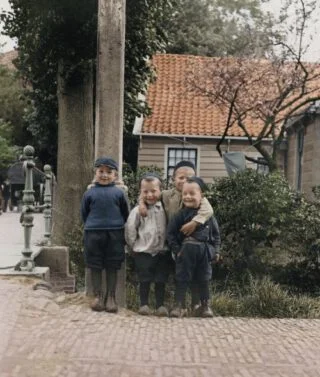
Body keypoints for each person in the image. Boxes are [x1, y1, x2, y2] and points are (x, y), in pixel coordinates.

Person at [139, 160, 214, 314]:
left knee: (194, 275)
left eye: (189, 178)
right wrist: (141, 202)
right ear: (173, 179)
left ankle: (195, 305)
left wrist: (195, 222)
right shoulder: (166, 195)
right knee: (176, 276)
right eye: (181, 177)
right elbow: (149, 195)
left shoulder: (199, 198)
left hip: (192, 245)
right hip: (171, 243)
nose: (185, 181)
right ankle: (176, 305)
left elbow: (208, 210)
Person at [167, 176, 221, 318]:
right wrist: (177, 250)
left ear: (201, 195)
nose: (188, 197)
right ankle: (178, 305)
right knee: (182, 278)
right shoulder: (180, 215)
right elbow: (170, 234)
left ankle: (205, 306)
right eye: (185, 194)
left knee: (203, 279)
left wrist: (216, 251)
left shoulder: (208, 216)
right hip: (186, 251)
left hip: (204, 251)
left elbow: (216, 235)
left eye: (192, 194)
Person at [81, 157, 130, 313]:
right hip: (93, 233)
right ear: (95, 173)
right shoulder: (89, 193)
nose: (104, 175)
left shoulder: (119, 193)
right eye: (101, 171)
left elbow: (125, 212)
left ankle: (111, 297)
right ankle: (98, 296)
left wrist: (117, 226)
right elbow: (84, 213)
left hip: (114, 233)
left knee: (112, 264)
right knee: (94, 264)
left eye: (109, 172)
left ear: (115, 175)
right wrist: (92, 225)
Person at [125, 172, 170, 316]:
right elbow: (131, 228)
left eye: (153, 191)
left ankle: (160, 305)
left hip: (162, 251)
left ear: (161, 191)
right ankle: (143, 304)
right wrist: (133, 246)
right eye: (145, 192)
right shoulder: (138, 210)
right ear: (140, 192)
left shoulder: (165, 207)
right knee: (144, 278)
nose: (150, 195)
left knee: (160, 279)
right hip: (143, 251)